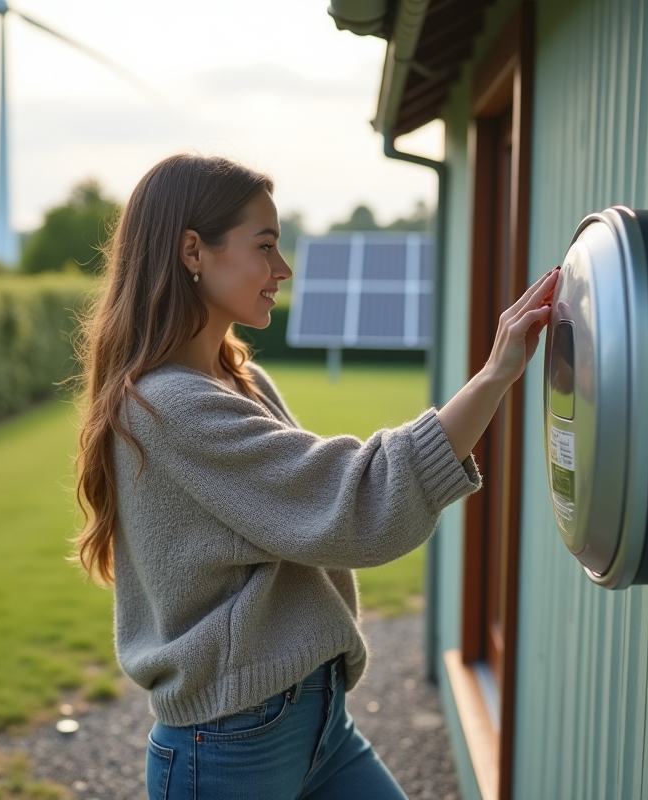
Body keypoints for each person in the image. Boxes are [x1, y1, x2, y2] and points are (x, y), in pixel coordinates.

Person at [71, 154, 557, 800]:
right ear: (193, 251)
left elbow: (321, 507)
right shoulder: (169, 406)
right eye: (264, 246)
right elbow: (352, 503)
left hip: (315, 724)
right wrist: (495, 375)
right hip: (232, 746)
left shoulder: (240, 381)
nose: (284, 269)